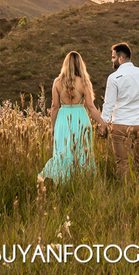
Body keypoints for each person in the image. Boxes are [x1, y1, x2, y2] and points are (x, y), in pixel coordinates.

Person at [38, 51, 105, 182]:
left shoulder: (57, 82)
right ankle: (82, 180)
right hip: (80, 118)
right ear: (80, 65)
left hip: (63, 119)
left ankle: (62, 180)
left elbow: (54, 106)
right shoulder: (85, 82)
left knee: (62, 151)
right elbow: (91, 106)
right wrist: (101, 123)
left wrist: (53, 127)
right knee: (82, 151)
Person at [99, 42, 139, 180]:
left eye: (113, 58)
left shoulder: (113, 78)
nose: (112, 60)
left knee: (122, 163)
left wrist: (103, 124)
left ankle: (125, 191)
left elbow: (108, 105)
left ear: (121, 59)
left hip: (120, 125)